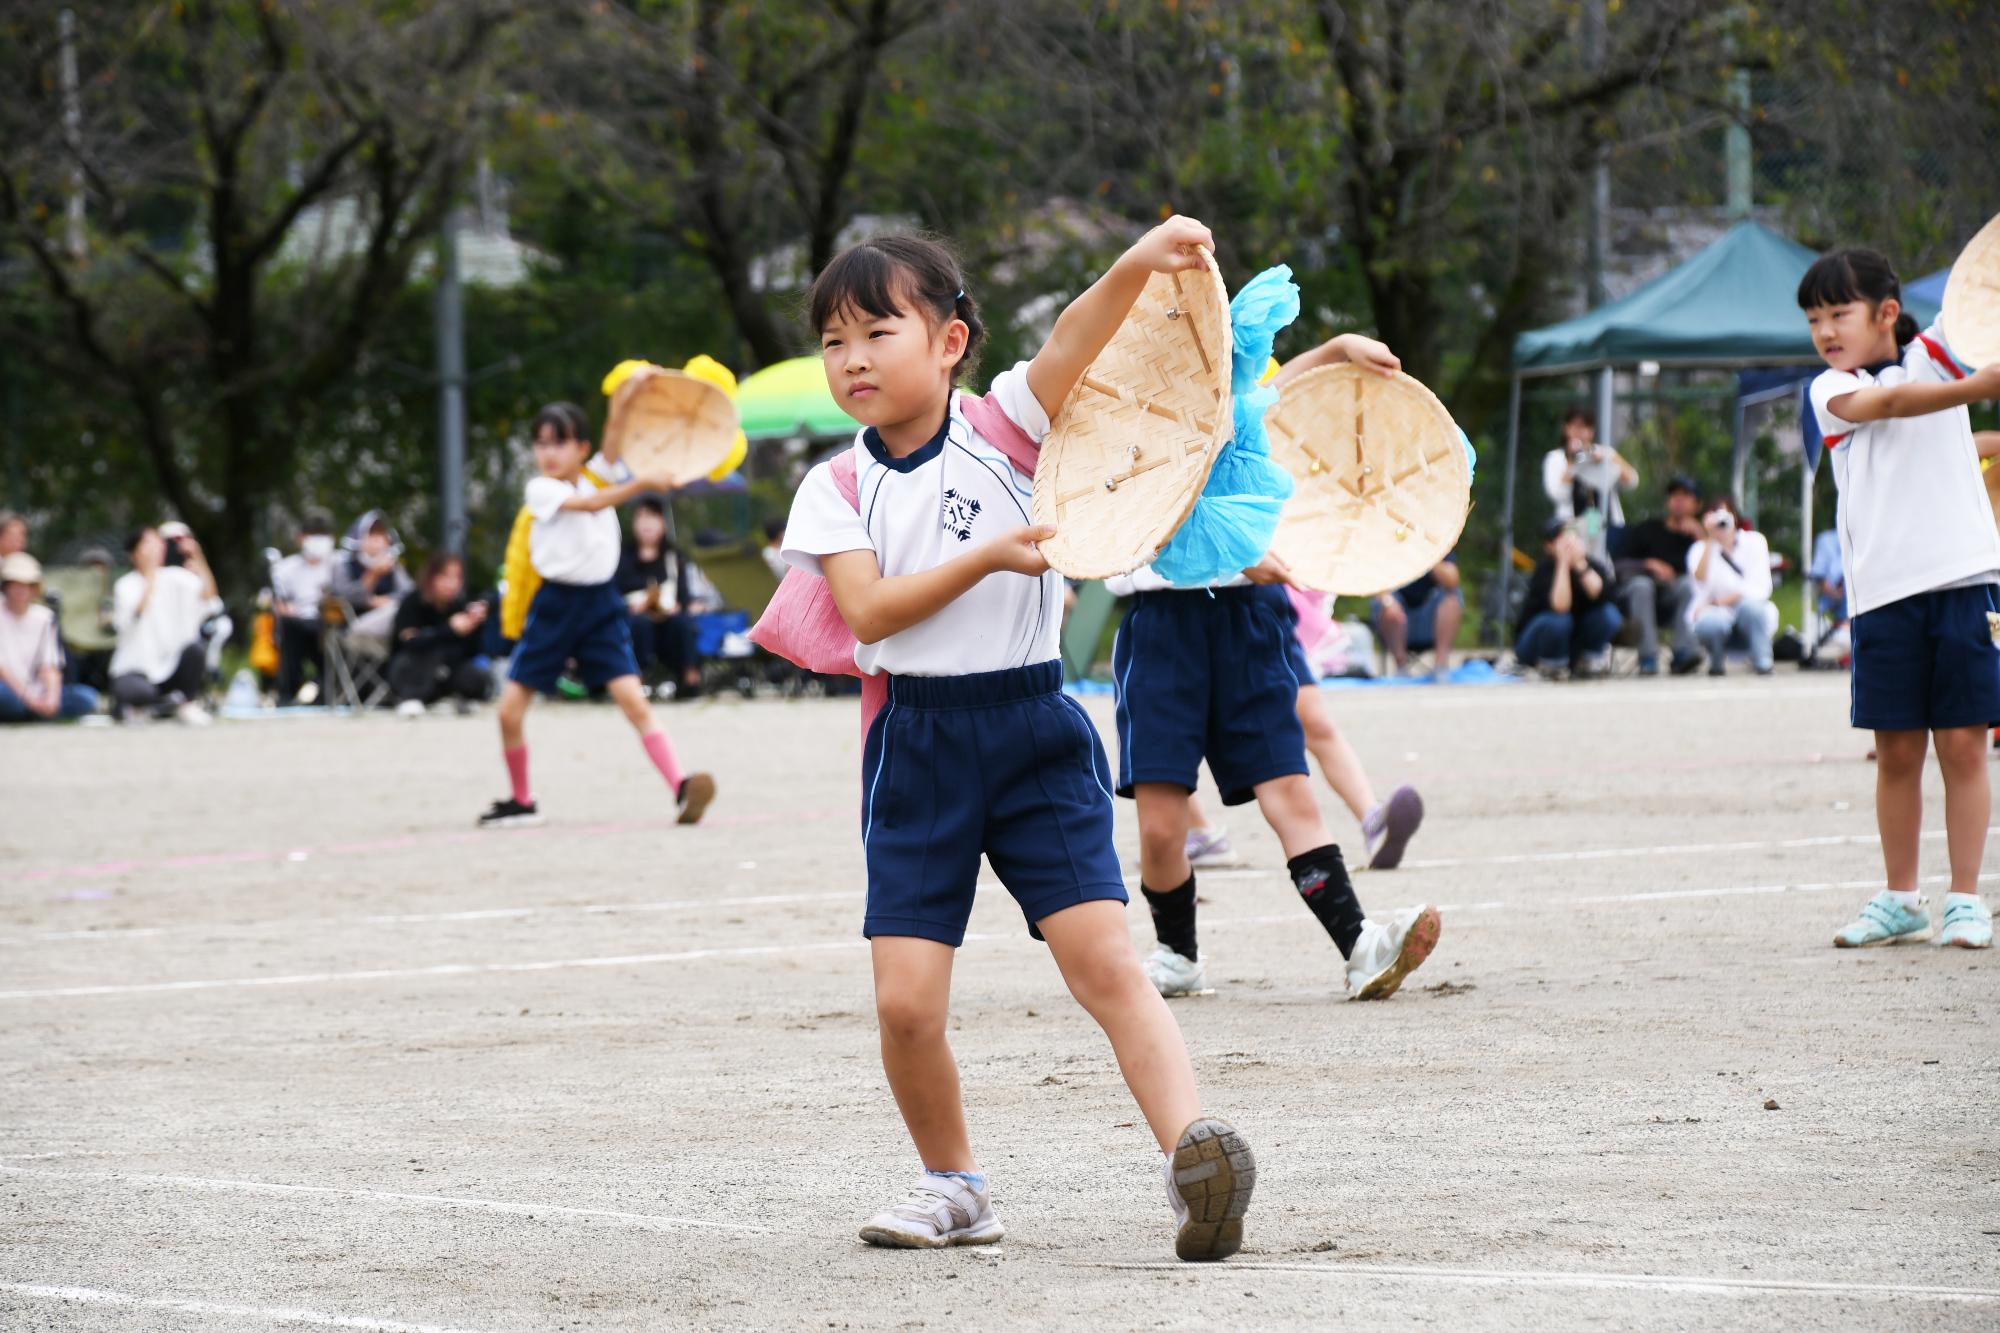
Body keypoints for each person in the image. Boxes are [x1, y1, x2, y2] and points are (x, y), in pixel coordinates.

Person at [781, 223, 1255, 1260]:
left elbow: (1076, 333)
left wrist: (1143, 256)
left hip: (1034, 729)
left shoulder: (1006, 428)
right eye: (832, 340)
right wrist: (991, 557)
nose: (851, 357)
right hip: (917, 744)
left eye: (876, 329)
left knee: (1106, 966)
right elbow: (868, 615)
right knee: (906, 1003)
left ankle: (1194, 1156)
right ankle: (955, 1187)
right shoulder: (834, 488)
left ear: (949, 342)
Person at [1110, 324, 1444, 1011]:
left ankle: (1361, 948)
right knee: (1163, 827)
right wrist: (1231, 552)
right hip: (1161, 629)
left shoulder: (1228, 395)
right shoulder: (1119, 419)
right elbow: (1135, 518)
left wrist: (1339, 347)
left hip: (1250, 621)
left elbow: (1271, 395)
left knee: (1290, 794)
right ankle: (1178, 955)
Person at [1798, 247, 2000, 950]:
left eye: (1838, 313)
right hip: (1883, 596)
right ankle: (1900, 895)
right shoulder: (1829, 390)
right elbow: (1891, 402)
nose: (1825, 330)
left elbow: (1981, 308)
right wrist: (1983, 385)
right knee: (1897, 754)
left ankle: (1968, 900)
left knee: (1966, 746)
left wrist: (1975, 367)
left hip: (1967, 581)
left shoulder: (1943, 351)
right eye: (1814, 318)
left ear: (1886, 312)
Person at [479, 400, 716, 829]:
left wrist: (631, 393)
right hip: (555, 606)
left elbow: (614, 436)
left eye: (560, 443)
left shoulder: (595, 477)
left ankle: (681, 785)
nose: (548, 452)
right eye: (541, 443)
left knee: (633, 701)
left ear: (582, 448)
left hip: (600, 606)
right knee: (509, 712)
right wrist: (641, 481)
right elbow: (590, 505)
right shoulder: (542, 489)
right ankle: (521, 800)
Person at [1186, 584, 1427, 873]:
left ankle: (1371, 819)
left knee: (1315, 721)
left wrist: (1382, 591)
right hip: (1188, 602)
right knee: (1175, 728)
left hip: (1264, 601)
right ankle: (1198, 830)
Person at [108, 525, 218, 724]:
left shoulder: (176, 576)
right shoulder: (125, 585)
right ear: (134, 553)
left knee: (195, 651)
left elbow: (209, 596)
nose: (155, 549)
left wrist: (197, 557)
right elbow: (133, 618)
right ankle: (153, 705)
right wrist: (150, 576)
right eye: (148, 543)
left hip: (170, 665)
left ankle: (185, 703)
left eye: (158, 543)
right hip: (136, 669)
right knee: (137, 691)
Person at [1613, 475, 1704, 676]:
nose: (1678, 501)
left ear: (1697, 505)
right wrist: (1648, 564)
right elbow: (1617, 564)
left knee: (1688, 585)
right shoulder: (1647, 529)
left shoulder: (1700, 540)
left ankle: (1682, 654)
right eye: (1674, 496)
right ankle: (1648, 658)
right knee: (1641, 586)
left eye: (1685, 496)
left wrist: (1702, 538)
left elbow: (1711, 576)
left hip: (1674, 599)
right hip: (1638, 597)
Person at [616, 495, 705, 701]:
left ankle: (690, 678)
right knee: (639, 625)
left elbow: (684, 596)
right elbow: (615, 593)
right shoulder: (623, 557)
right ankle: (638, 680)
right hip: (636, 619)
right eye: (641, 517)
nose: (647, 523)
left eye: (652, 517)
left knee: (682, 624)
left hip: (668, 621)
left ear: (662, 523)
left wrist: (676, 606)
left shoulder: (674, 557)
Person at [1513, 518, 1623, 679]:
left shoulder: (1595, 567)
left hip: (1575, 641)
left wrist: (1580, 565)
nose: (1569, 543)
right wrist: (1563, 564)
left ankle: (1588, 660)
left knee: (1609, 614)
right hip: (1535, 643)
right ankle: (1551, 665)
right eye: (1562, 539)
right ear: (1549, 546)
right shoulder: (1544, 570)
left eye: (1573, 537)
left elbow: (1601, 595)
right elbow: (1560, 607)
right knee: (1559, 621)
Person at [389, 552, 493, 714]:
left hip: (446, 671)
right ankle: (411, 699)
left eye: (457, 578)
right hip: (409, 670)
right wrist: (448, 630)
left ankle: (459, 697)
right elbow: (411, 642)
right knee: (430, 653)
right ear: (431, 578)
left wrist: (475, 626)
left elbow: (472, 652)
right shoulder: (412, 602)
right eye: (446, 577)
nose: (452, 584)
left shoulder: (459, 606)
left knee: (476, 674)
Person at [0, 553, 98, 721]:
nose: (21, 590)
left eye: (27, 585)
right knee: (6, 698)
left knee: (87, 697)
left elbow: (50, 665)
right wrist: (28, 698)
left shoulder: (45, 617)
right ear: (6, 587)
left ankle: (39, 711)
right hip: (9, 689)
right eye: (15, 584)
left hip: (37, 688)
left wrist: (52, 698)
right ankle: (34, 712)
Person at [1685, 495, 1773, 677]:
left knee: (1753, 609)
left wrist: (1720, 602)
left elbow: (1759, 587)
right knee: (1711, 622)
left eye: (1724, 516)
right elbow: (1699, 581)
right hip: (1716, 615)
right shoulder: (1699, 549)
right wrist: (1710, 539)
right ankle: (1715, 663)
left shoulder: (1755, 541)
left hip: (1746, 610)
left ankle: (1763, 661)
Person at [1541, 406, 1637, 553]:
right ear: (1566, 428)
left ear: (1592, 431)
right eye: (1575, 426)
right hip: (1573, 525)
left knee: (1605, 563)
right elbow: (1558, 495)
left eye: (1585, 427)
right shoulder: (1556, 459)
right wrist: (1576, 461)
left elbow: (1631, 481)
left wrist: (1608, 457)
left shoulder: (1602, 453)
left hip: (1604, 522)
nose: (1580, 432)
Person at [269, 512, 338, 704]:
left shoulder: (338, 563)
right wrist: (283, 609)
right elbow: (277, 602)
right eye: (313, 534)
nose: (318, 540)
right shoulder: (285, 568)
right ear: (301, 538)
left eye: (323, 534)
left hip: (329, 622)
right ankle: (287, 692)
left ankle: (326, 689)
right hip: (298, 623)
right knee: (287, 626)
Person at [331, 512, 413, 656]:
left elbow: (409, 594)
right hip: (353, 627)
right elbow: (344, 599)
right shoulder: (344, 564)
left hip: (390, 626)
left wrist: (387, 601)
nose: (377, 541)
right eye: (371, 535)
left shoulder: (393, 566)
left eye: (381, 536)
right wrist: (372, 575)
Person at [1372, 555, 1462, 677]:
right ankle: (1401, 670)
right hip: (1398, 617)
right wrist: (1388, 601)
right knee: (1388, 605)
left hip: (1429, 620)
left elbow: (1452, 581)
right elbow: (1374, 581)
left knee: (1452, 598)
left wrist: (1427, 557)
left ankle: (1440, 668)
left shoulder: (1435, 542)